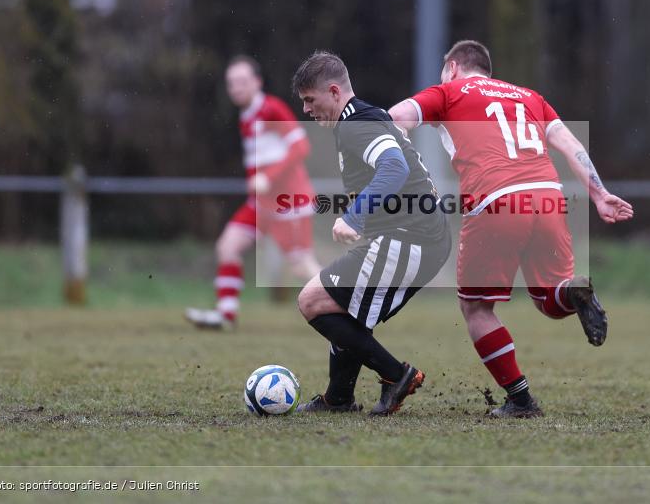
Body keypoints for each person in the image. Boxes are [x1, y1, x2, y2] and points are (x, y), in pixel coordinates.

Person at [389, 40, 634, 418]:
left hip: (496, 200)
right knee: (551, 301)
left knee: (476, 307)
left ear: (453, 67)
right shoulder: (530, 97)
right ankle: (574, 291)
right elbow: (570, 145)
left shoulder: (449, 91)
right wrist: (600, 194)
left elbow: (396, 118)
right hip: (549, 198)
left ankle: (520, 399)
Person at [291, 51, 451, 415]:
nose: (307, 111)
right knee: (340, 307)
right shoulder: (361, 118)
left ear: (334, 91)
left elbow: (392, 167)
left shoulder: (356, 123)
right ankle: (339, 399)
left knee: (312, 300)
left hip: (411, 237)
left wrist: (355, 217)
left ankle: (397, 375)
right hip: (418, 236)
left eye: (310, 100)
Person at [185, 55, 322, 329]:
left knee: (301, 265)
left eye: (242, 81)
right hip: (262, 204)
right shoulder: (245, 116)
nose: (236, 87)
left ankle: (348, 313)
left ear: (257, 82)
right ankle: (226, 316)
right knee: (228, 246)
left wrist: (268, 178)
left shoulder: (272, 108)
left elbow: (300, 146)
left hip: (288, 201)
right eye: (231, 83)